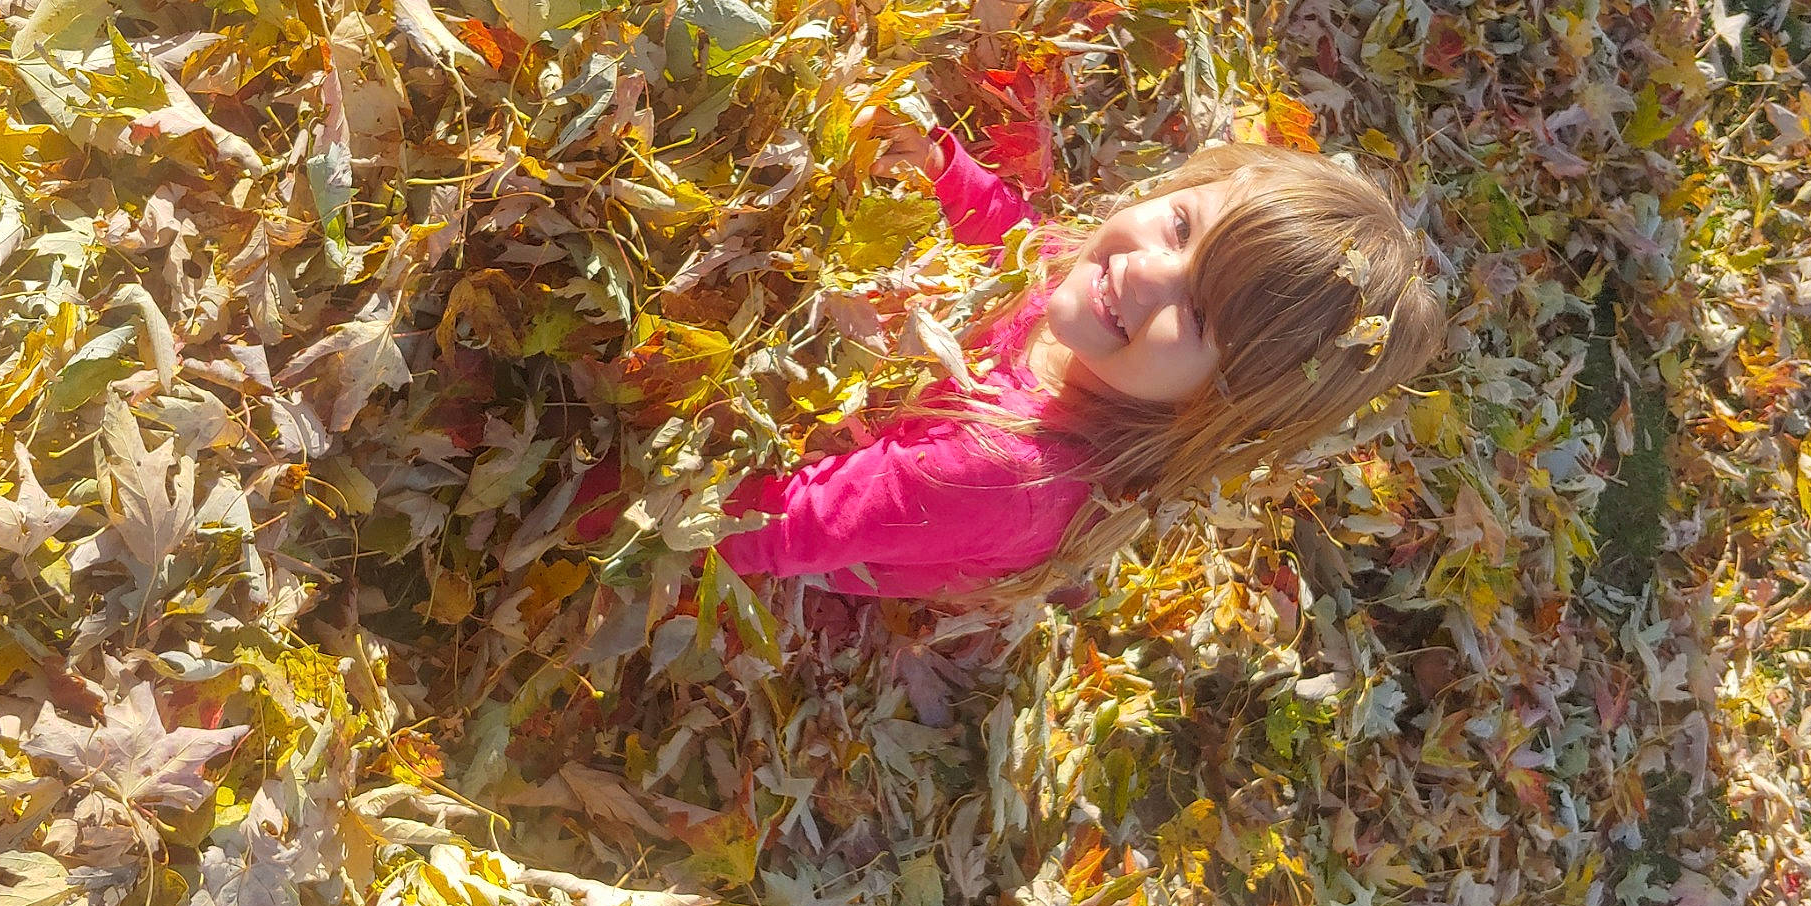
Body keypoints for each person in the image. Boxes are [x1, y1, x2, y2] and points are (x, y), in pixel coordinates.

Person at [575, 105, 1446, 602]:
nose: (1146, 272)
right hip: (920, 477)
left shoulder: (997, 471)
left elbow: (777, 528)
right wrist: (942, 170)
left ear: (1224, 400)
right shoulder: (1089, 288)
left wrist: (610, 503)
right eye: (1181, 226)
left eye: (1204, 312)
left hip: (877, 536)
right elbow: (1016, 243)